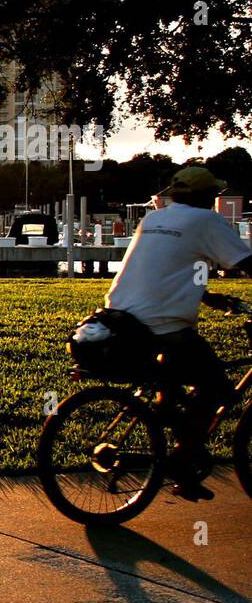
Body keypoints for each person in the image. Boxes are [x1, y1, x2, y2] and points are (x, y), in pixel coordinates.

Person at [106, 165, 252, 499]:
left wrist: (207, 296)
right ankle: (183, 460)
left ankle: (168, 420)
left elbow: (162, 269)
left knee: (172, 382)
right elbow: (245, 262)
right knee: (217, 387)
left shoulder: (155, 219)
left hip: (122, 314)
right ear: (207, 196)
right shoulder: (206, 220)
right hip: (164, 323)